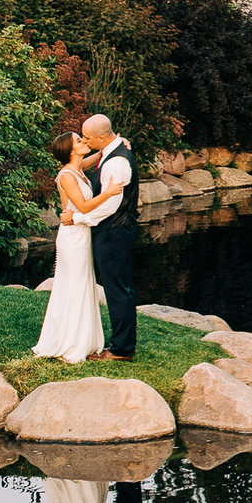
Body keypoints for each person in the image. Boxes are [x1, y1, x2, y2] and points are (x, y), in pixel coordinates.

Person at [32, 133, 121, 363]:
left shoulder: (78, 167)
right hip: (72, 237)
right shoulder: (67, 176)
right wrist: (108, 193)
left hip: (82, 234)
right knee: (74, 285)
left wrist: (111, 145)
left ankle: (82, 338)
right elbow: (82, 206)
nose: (84, 142)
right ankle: (70, 342)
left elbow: (95, 157)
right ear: (71, 151)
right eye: (79, 141)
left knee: (83, 284)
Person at [81, 112, 139, 362]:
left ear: (102, 138)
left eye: (87, 138)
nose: (85, 142)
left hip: (114, 231)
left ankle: (121, 349)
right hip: (114, 230)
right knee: (119, 288)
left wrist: (80, 220)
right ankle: (122, 345)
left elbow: (110, 206)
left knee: (118, 290)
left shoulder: (116, 162)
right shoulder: (110, 151)